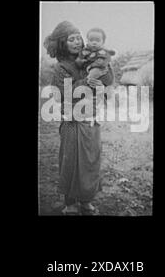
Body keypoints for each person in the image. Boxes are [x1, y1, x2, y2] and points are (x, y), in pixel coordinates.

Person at [44, 21, 114, 215]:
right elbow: (62, 94)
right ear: (62, 44)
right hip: (72, 121)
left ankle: (86, 200)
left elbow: (109, 83)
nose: (76, 42)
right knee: (71, 161)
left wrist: (104, 77)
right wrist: (88, 81)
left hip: (92, 118)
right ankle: (70, 202)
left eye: (77, 37)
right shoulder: (61, 67)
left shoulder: (94, 58)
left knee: (91, 160)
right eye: (70, 39)